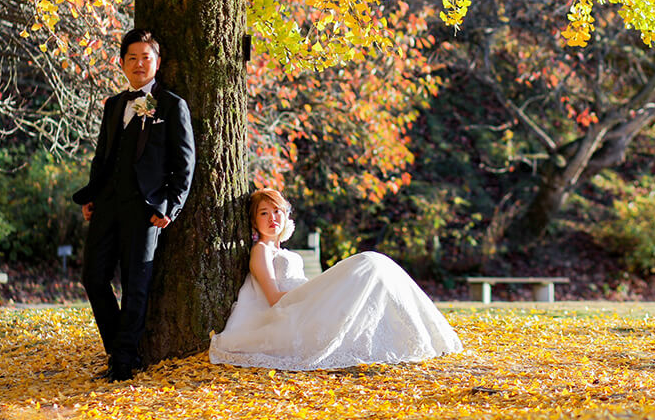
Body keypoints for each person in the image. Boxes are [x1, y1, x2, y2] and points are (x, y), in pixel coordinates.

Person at [208, 189, 462, 370]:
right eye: (263, 213)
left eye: (276, 211)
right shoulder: (260, 250)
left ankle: (423, 333)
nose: (272, 218)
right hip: (287, 312)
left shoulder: (284, 252)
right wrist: (318, 293)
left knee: (377, 266)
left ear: (285, 216)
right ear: (254, 221)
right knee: (368, 263)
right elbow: (273, 297)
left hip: (302, 303)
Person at [73, 28, 195, 381]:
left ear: (158, 62)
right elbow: (102, 156)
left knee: (135, 283)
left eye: (146, 57)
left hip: (146, 208)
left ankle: (125, 361)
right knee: (93, 277)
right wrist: (93, 195)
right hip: (107, 203)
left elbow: (184, 162)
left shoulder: (172, 105)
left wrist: (170, 206)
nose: (139, 64)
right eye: (132, 58)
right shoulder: (114, 105)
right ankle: (116, 346)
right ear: (122, 63)